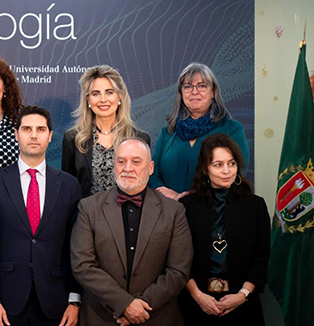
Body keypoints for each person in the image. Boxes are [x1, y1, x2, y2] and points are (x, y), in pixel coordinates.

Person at [71, 138, 192, 326]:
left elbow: (178, 270)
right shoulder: (88, 208)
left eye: (136, 162)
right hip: (102, 318)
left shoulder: (174, 211)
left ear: (150, 168)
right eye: (121, 161)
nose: (127, 168)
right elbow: (82, 265)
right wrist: (124, 304)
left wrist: (140, 307)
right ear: (114, 166)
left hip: (156, 317)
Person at [0, 106, 81, 326]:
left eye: (40, 129)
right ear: (16, 134)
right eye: (27, 129)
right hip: (6, 301)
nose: (34, 135)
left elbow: (75, 246)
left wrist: (74, 299)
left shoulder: (69, 185)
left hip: (57, 300)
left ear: (50, 135)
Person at [179, 133, 270, 326]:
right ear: (205, 169)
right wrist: (198, 296)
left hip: (244, 304)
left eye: (232, 163)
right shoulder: (187, 206)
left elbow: (261, 257)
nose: (227, 171)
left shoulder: (255, 206)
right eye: (218, 165)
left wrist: (243, 295)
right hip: (197, 304)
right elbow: (178, 259)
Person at [149, 63, 249, 200]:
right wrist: (168, 195)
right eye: (188, 86)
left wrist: (188, 198)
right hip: (169, 207)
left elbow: (237, 172)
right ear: (181, 93)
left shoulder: (232, 129)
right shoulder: (168, 132)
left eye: (202, 86)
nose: (194, 92)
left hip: (213, 208)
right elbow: (153, 174)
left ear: (213, 92)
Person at [62, 65, 150, 198]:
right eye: (95, 93)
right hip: (85, 211)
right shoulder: (73, 138)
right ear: (88, 100)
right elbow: (68, 188)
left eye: (109, 92)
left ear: (119, 97)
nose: (103, 99)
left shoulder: (140, 138)